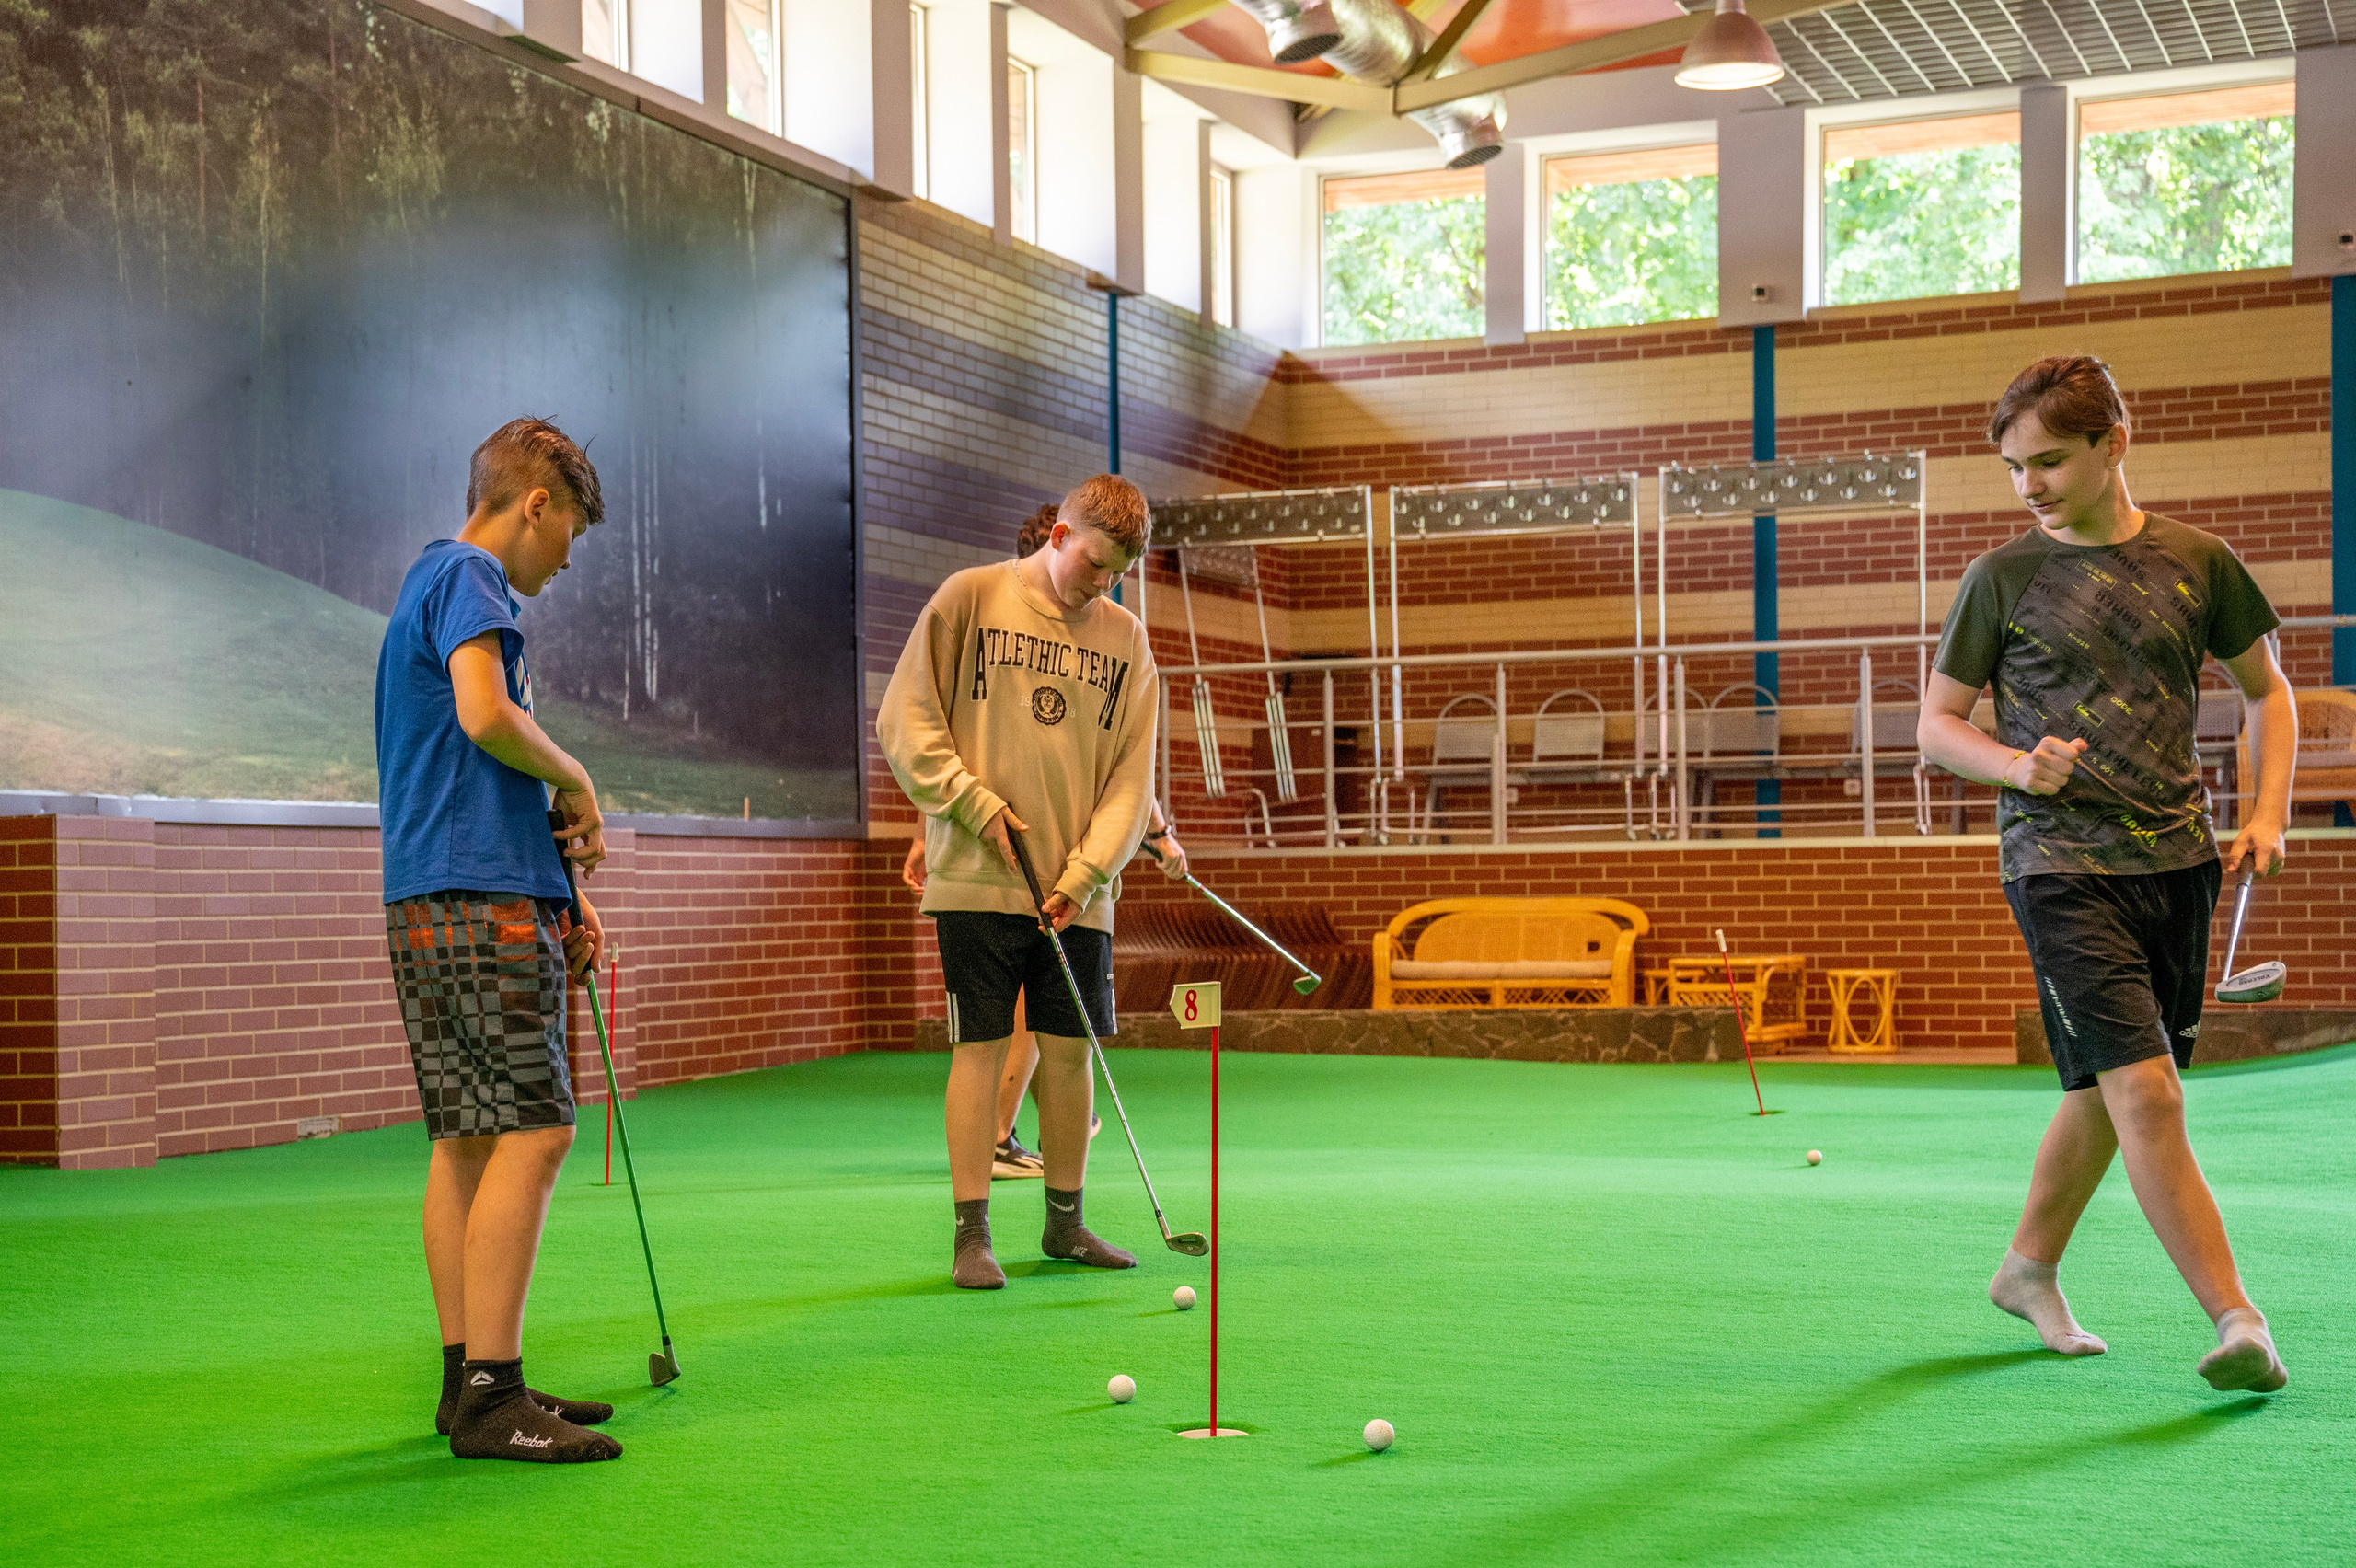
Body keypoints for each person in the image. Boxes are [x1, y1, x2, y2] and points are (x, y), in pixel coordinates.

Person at [1918, 356, 2295, 1392]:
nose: (2027, 485)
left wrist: (2265, 811)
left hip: (2177, 861)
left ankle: (2026, 1269)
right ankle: (2238, 1319)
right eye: (2011, 468)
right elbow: (1936, 725)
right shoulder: (2001, 578)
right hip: (2057, 863)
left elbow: (2268, 692)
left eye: (2045, 461)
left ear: (2111, 445)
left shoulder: (2198, 560)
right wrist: (2015, 767)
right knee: (2146, 1091)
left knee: (2102, 1085)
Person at [375, 418, 624, 1460]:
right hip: (478, 900)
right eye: (569, 529)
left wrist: (564, 895)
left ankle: (466, 1377)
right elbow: (485, 719)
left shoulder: (426, 586)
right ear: (535, 505)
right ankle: (492, 1396)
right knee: (537, 1128)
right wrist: (577, 775)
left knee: (469, 1138)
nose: (567, 556)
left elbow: (473, 760)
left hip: (449, 893)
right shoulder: (474, 579)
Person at [877, 475, 1160, 1289]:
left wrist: (1084, 873)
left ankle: (1065, 1226)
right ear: (1061, 534)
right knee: (979, 1049)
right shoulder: (968, 599)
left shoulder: (1128, 642)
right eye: (1095, 564)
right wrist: (970, 802)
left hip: (1079, 893)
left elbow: (1131, 786)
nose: (1100, 585)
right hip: (975, 880)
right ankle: (972, 1236)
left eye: (1117, 574)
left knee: (1070, 1055)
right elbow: (906, 719)